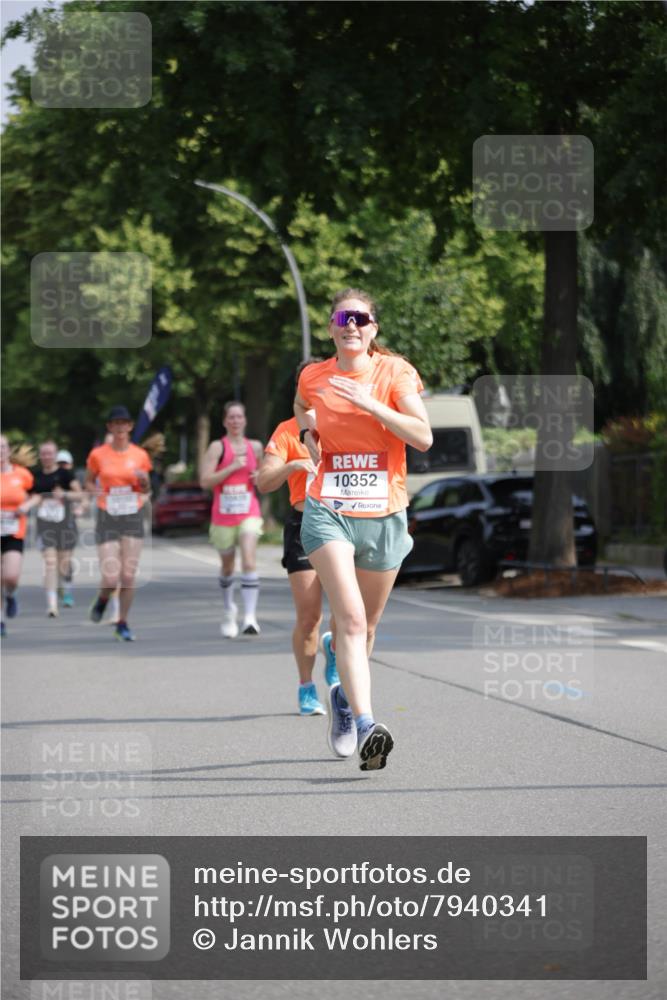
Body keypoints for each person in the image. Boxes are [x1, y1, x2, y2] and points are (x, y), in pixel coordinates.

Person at [295, 289, 432, 770]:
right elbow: (301, 407)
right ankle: (368, 723)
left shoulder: (395, 373)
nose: (351, 325)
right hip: (328, 510)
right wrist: (309, 436)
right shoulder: (314, 376)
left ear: (373, 329)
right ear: (331, 327)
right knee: (349, 620)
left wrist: (372, 405)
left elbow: (422, 435)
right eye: (342, 317)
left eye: (361, 318)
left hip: (385, 515)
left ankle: (343, 700)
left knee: (367, 628)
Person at [256, 367, 340, 716]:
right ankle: (307, 688)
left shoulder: (344, 425)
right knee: (309, 617)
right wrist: (292, 466)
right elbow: (263, 481)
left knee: (350, 613)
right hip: (304, 524)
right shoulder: (287, 432)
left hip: (343, 522)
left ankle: (335, 652)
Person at [85, 406, 152, 641]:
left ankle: (122, 622)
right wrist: (94, 492)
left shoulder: (140, 455)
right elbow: (89, 482)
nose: (121, 427)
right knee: (111, 577)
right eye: (116, 423)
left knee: (129, 576)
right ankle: (103, 598)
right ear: (110, 427)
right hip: (107, 515)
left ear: (130, 426)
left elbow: (146, 488)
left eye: (125, 423)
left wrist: (144, 483)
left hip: (132, 514)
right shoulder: (98, 455)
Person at [200, 402, 263, 638]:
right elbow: (205, 481)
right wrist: (232, 468)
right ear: (225, 421)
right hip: (223, 516)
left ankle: (250, 617)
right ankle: (229, 610)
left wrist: (259, 476)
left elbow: (265, 476)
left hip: (249, 512)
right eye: (231, 417)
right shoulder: (217, 448)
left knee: (248, 559)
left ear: (245, 420)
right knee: (228, 567)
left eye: (239, 417)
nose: (236, 421)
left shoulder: (255, 447)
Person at [32, 440, 82, 615]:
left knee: (64, 563)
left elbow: (80, 494)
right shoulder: (36, 476)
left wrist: (65, 494)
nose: (47, 456)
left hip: (65, 525)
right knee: (50, 563)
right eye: (44, 453)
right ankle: (52, 605)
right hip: (45, 525)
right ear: (40, 456)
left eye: (50, 453)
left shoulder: (65, 474)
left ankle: (65, 588)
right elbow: (29, 496)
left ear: (55, 455)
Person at [0, 436, 40, 636]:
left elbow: (36, 495)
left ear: (8, 450)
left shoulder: (22, 474)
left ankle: (10, 593)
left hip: (14, 531)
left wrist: (25, 506)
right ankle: (1, 620)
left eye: (3, 447)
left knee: (10, 576)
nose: (0, 451)